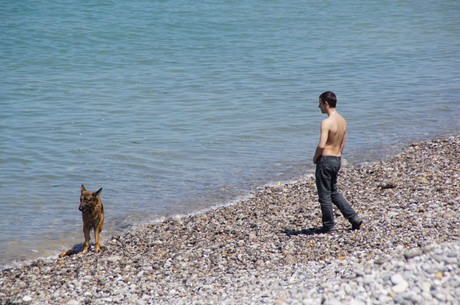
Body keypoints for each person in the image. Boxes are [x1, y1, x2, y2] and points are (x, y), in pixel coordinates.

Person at [312, 91, 362, 233]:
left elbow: (322, 145)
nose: (319, 106)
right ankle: (353, 218)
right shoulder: (342, 120)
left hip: (326, 159)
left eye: (320, 103)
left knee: (324, 195)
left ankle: (328, 225)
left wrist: (315, 158)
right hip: (337, 159)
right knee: (334, 192)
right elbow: (343, 144)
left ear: (326, 103)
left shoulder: (326, 122)